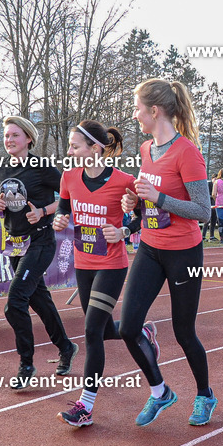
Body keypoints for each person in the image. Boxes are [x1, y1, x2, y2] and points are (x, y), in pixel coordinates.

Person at [119, 78, 217, 427]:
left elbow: (203, 211)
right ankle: (161, 392)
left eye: (137, 109)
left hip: (183, 252)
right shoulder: (147, 150)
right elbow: (148, 199)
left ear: (154, 111)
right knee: (128, 327)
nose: (134, 115)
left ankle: (205, 394)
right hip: (149, 247)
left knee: (183, 331)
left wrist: (159, 198)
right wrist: (135, 201)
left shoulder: (187, 152)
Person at [53, 120, 151, 428]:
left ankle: (85, 406)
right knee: (107, 329)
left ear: (95, 149)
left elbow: (145, 215)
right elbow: (63, 209)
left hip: (112, 264)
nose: (68, 151)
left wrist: (122, 230)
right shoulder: (68, 178)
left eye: (74, 146)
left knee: (92, 331)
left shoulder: (124, 180)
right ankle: (140, 331)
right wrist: (58, 219)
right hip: (84, 263)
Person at [0, 115, 78, 390]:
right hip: (15, 244)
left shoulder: (41, 166)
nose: (9, 140)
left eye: (15, 135)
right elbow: (5, 202)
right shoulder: (1, 168)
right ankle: (66, 347)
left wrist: (43, 211)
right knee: (39, 301)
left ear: (28, 138)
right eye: (6, 136)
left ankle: (26, 363)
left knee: (14, 302)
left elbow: (71, 196)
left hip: (40, 242)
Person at [202, 176, 218, 242]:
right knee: (207, 221)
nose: (216, 180)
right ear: (212, 178)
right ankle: (203, 236)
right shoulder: (208, 184)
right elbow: (206, 194)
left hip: (215, 205)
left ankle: (212, 236)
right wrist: (213, 196)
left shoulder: (217, 185)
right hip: (208, 205)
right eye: (215, 179)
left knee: (213, 221)